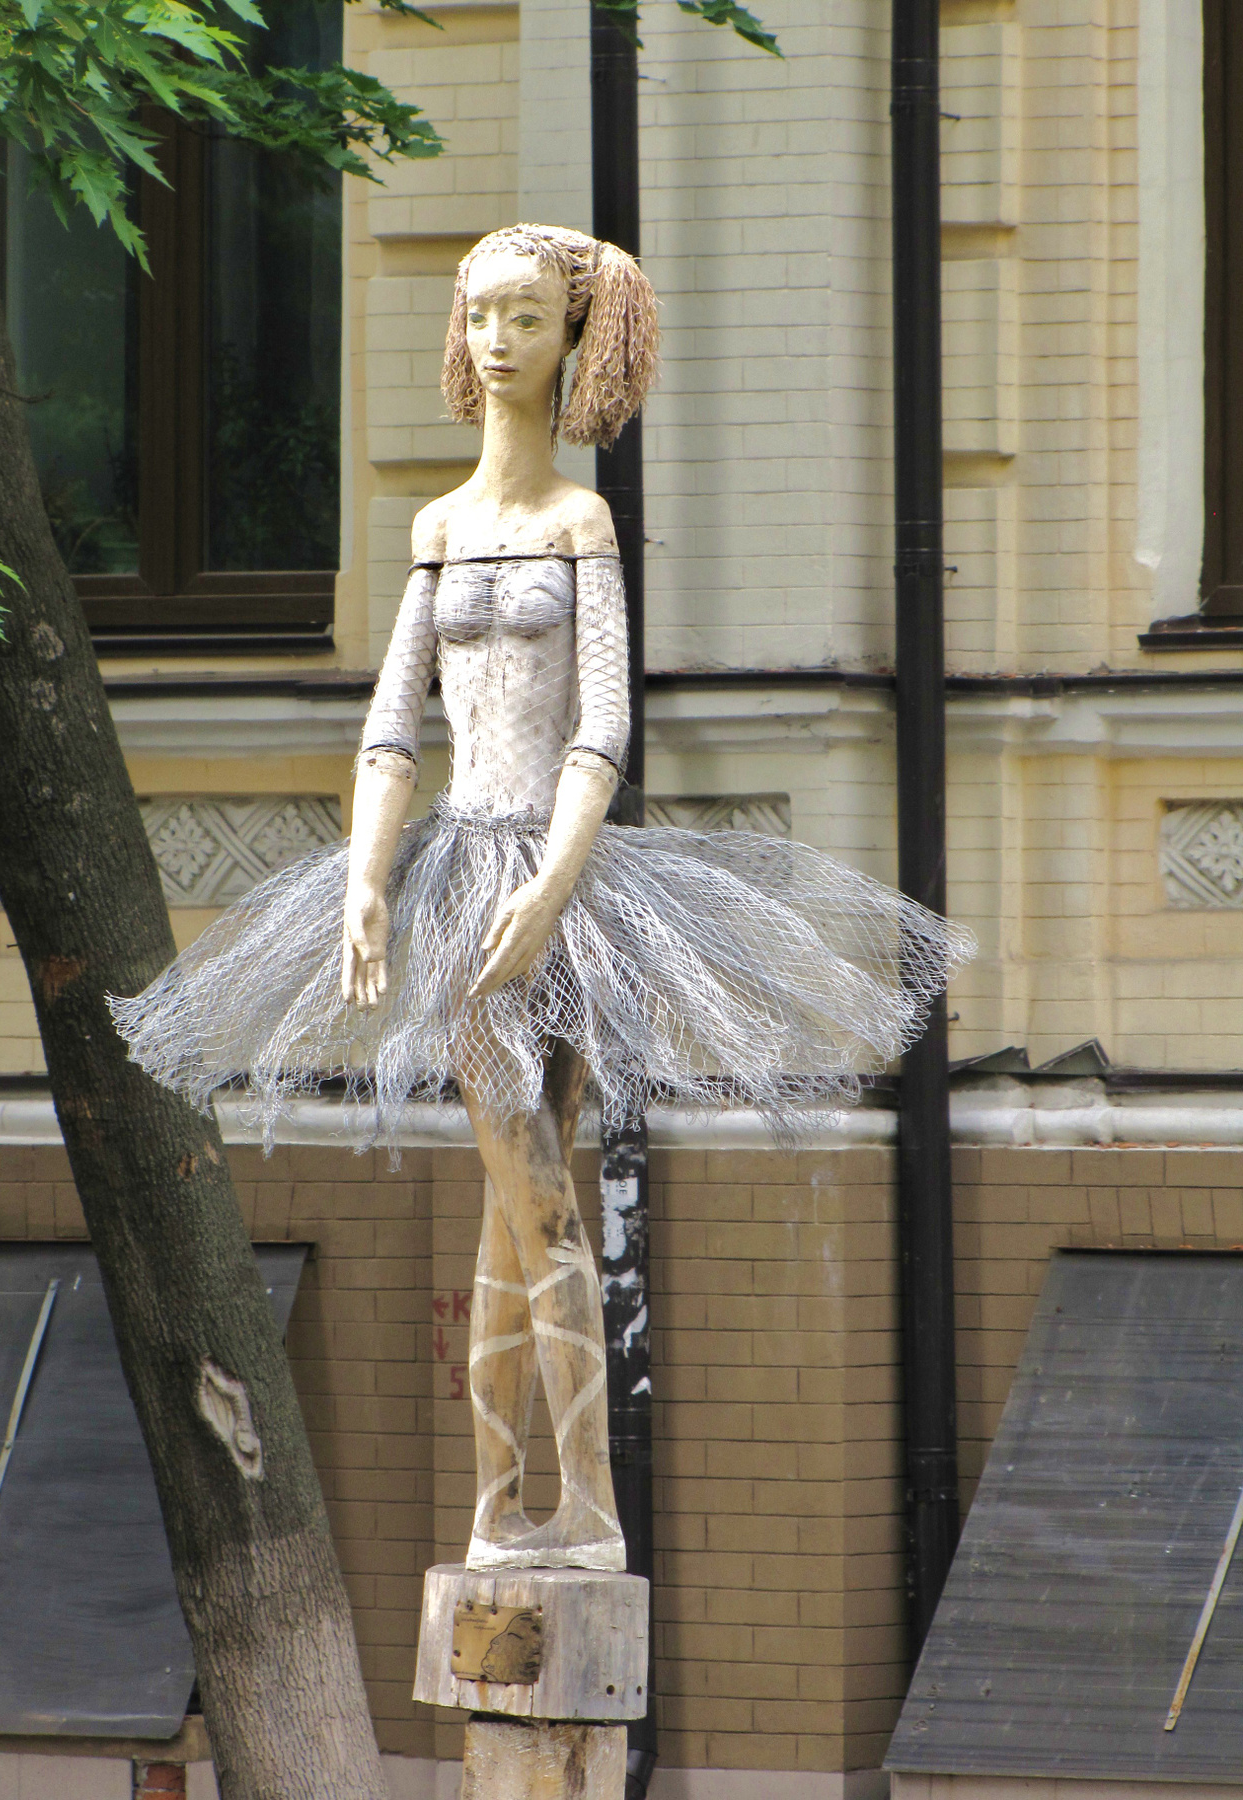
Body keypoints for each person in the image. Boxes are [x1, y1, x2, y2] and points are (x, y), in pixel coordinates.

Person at [112, 223, 973, 1573]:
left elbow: (602, 726)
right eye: (480, 315)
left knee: (527, 1207)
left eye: (524, 316)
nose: (497, 340)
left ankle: (561, 1508)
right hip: (463, 876)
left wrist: (559, 880)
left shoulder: (583, 522)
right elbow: (392, 728)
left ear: (575, 336)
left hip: (560, 887)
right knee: (524, 1201)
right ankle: (520, 1506)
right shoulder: (438, 528)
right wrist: (365, 879)